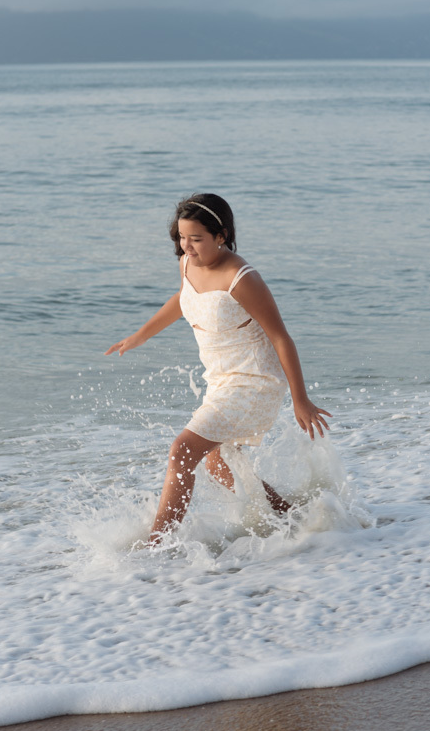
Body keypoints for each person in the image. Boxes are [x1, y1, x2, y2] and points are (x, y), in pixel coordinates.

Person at [105, 193, 331, 546]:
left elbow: (281, 338)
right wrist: (140, 335)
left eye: (196, 239)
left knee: (182, 450)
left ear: (221, 235)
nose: (187, 247)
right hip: (220, 380)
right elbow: (183, 299)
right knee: (217, 465)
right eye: (182, 238)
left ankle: (156, 546)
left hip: (253, 382)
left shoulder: (242, 278)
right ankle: (293, 516)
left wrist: (301, 399)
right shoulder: (188, 263)